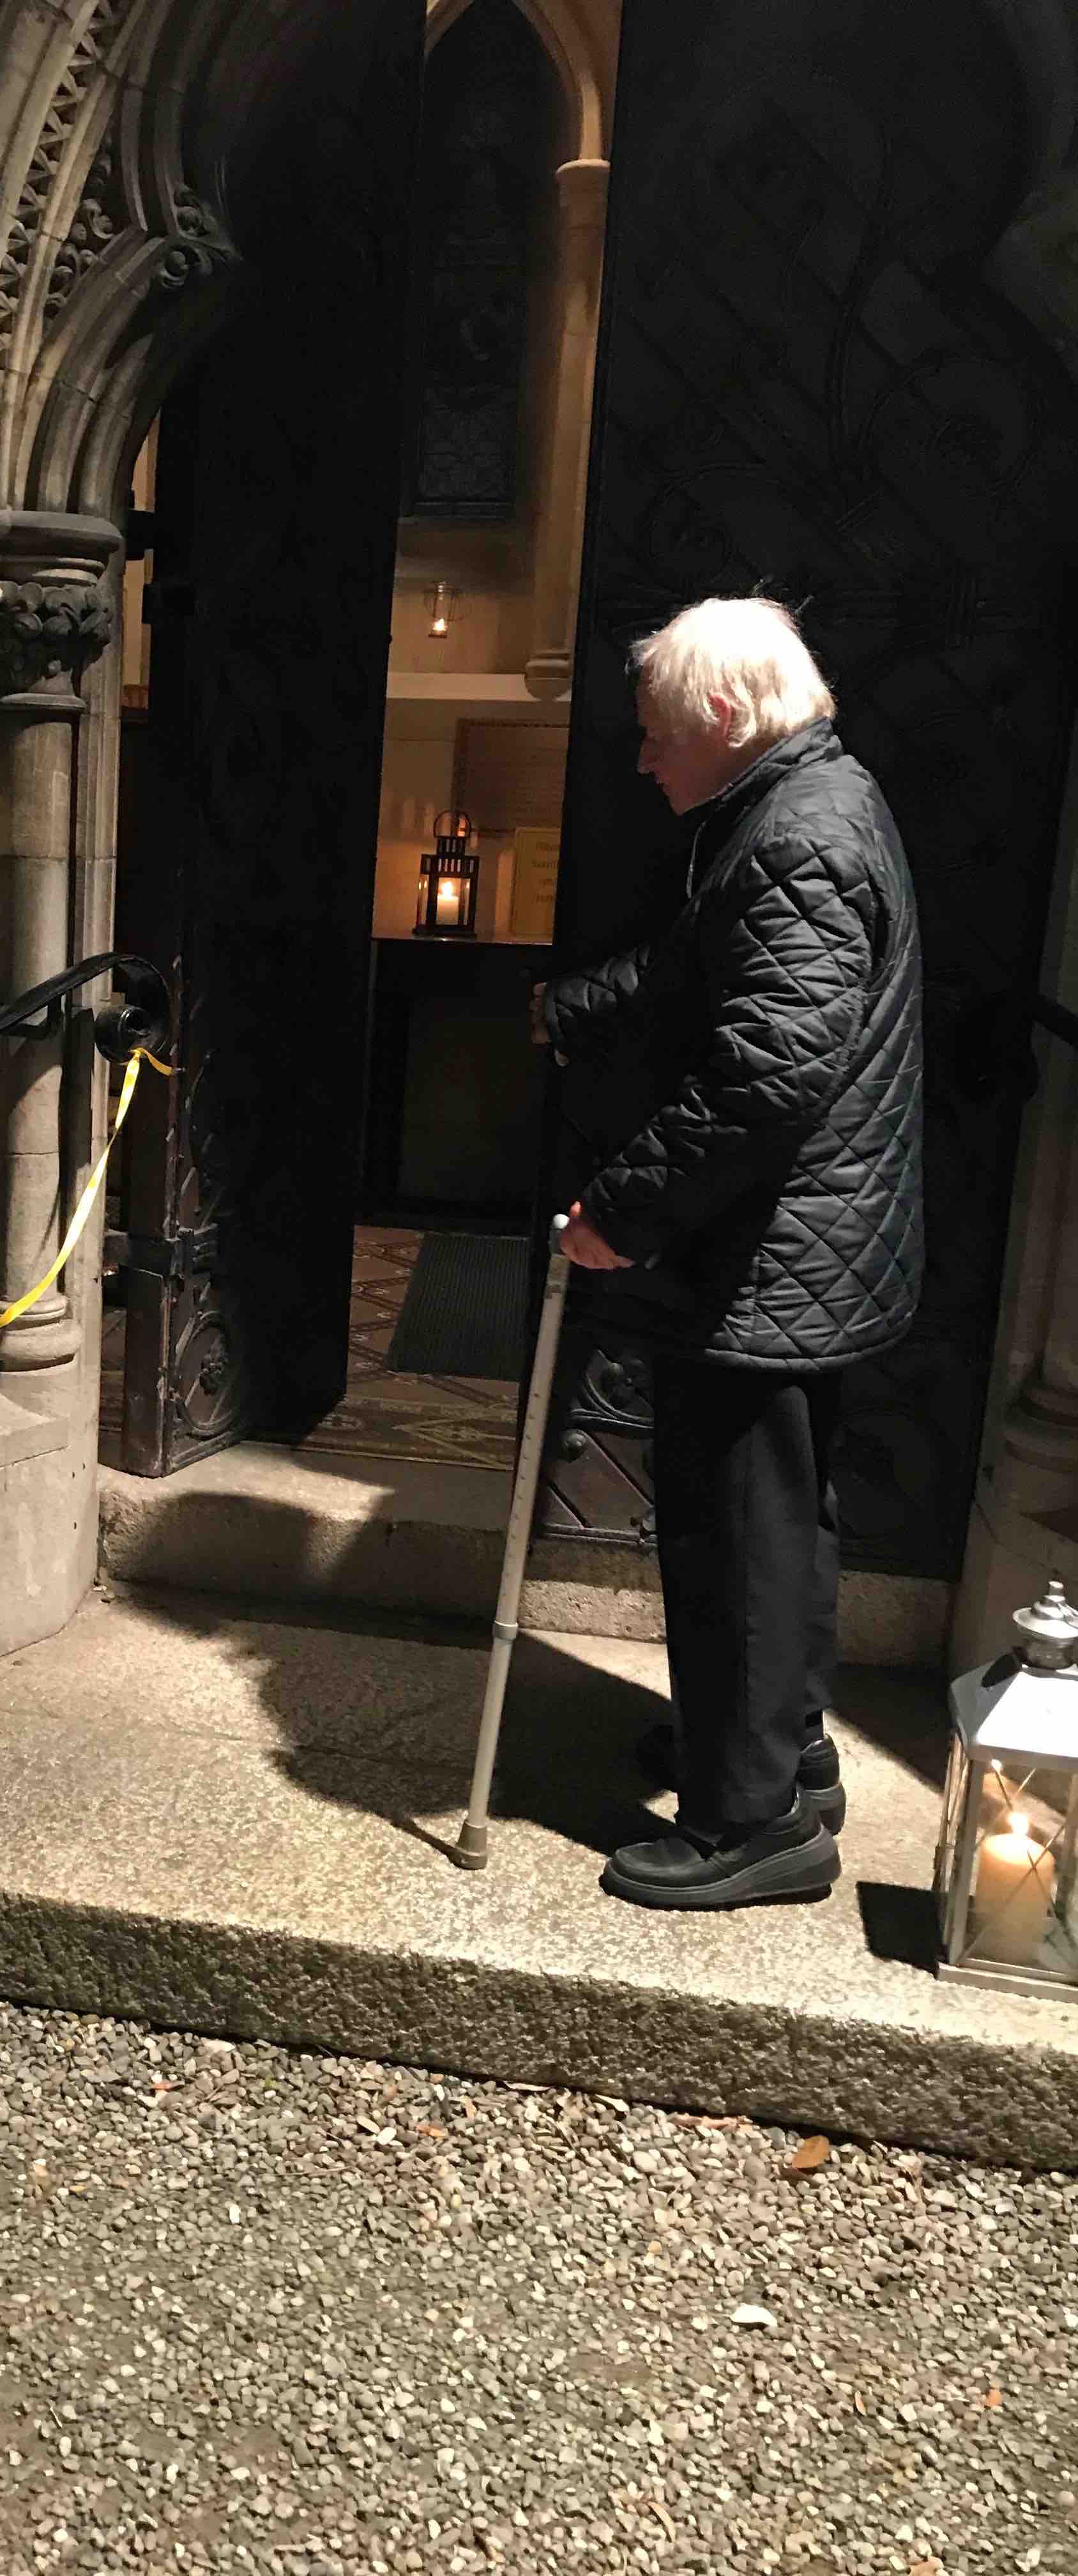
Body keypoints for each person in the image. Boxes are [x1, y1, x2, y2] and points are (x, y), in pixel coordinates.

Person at [536, 596, 923, 1909]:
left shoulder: (796, 831)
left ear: (718, 718)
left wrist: (620, 1214)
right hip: (801, 1251)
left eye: (652, 736)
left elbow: (767, 1073)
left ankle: (753, 1823)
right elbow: (712, 972)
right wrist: (578, 1005)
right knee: (780, 1522)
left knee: (736, 1534)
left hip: (770, 1255)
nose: (642, 762)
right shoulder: (797, 807)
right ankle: (775, 1751)